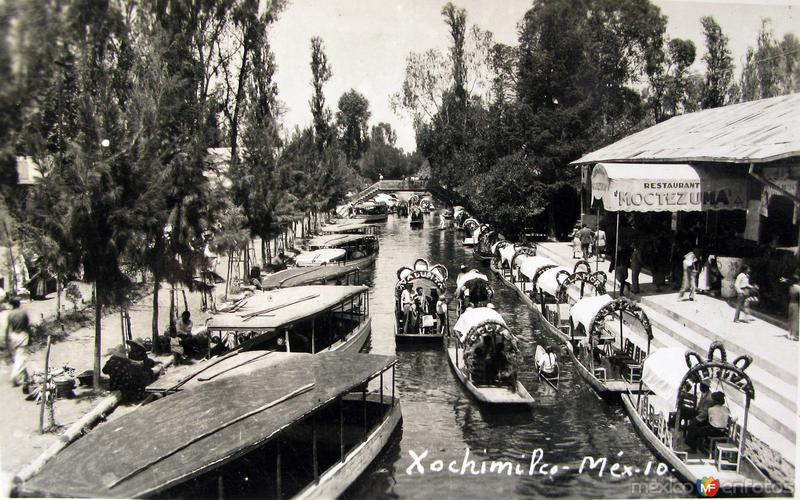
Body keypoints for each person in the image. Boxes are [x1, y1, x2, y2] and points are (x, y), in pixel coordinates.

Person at [3, 296, 30, 388]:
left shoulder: (10, 315)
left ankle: (26, 378)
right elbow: (27, 326)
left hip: (14, 336)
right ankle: (14, 377)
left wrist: (7, 339)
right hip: (22, 335)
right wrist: (31, 338)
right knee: (21, 358)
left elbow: (8, 328)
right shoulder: (23, 313)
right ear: (18, 304)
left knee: (18, 356)